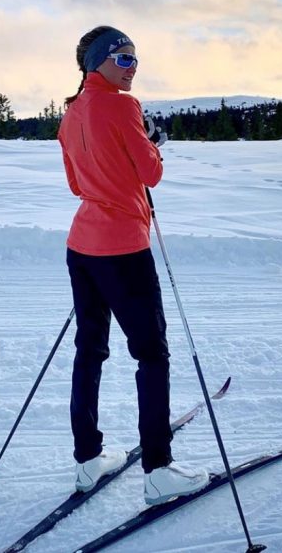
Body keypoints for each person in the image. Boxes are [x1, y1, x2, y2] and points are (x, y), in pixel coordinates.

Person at [57, 26, 209, 505]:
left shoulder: (71, 113)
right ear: (96, 63)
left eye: (135, 58)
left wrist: (123, 156)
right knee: (151, 354)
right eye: (123, 59)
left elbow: (75, 185)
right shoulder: (124, 105)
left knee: (91, 349)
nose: (133, 66)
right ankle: (159, 471)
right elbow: (152, 174)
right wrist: (149, 144)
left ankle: (88, 459)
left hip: (82, 247)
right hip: (123, 248)